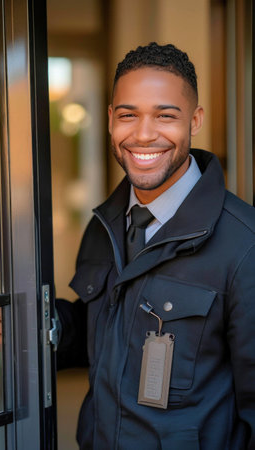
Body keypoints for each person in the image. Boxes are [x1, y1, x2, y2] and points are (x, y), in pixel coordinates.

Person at [56, 42, 255, 450]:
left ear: (195, 120)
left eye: (165, 115)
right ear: (111, 120)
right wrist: (45, 325)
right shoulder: (104, 225)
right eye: (128, 115)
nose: (143, 134)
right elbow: (110, 336)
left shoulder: (245, 245)